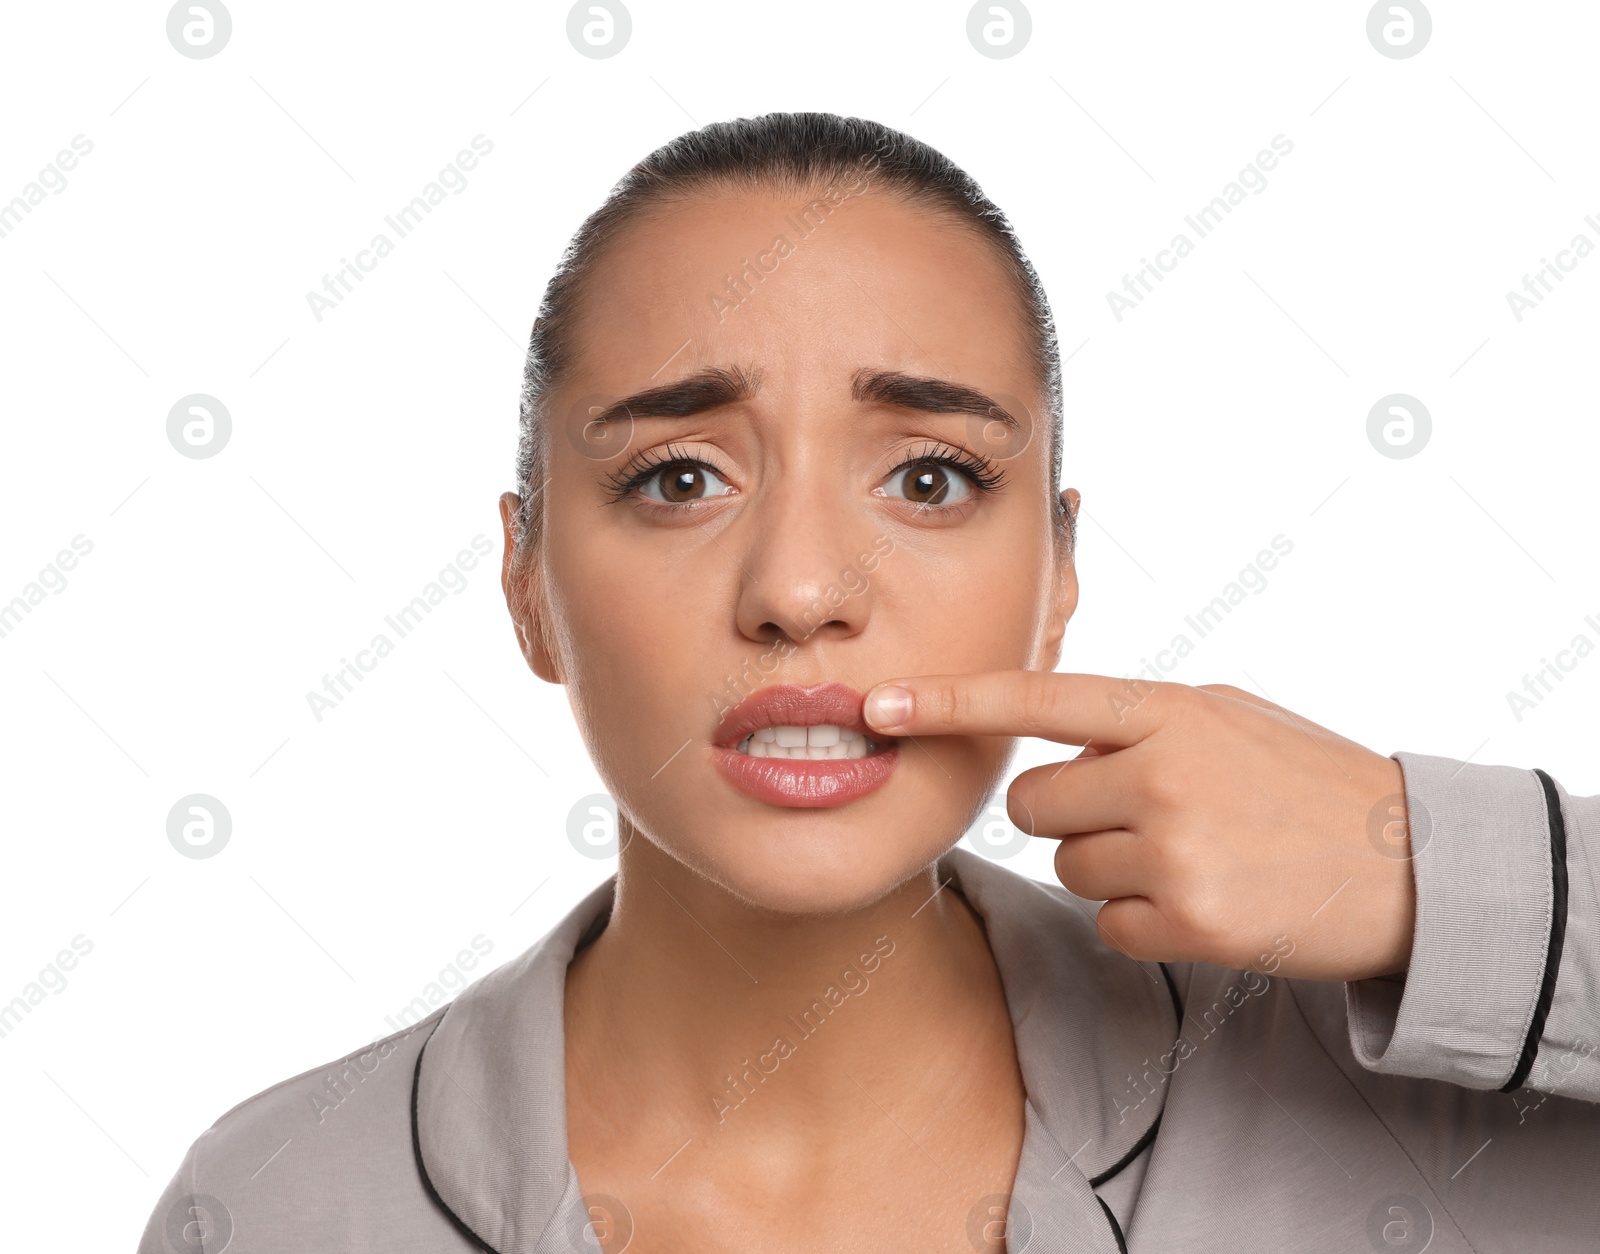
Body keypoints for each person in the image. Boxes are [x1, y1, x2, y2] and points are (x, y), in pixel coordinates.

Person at [138, 112, 1598, 1253]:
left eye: (929, 476)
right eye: (680, 476)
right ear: (526, 580)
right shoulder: (276, 1203)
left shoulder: (1417, 1114)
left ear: (1060, 575)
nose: (799, 593)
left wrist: (1432, 877)